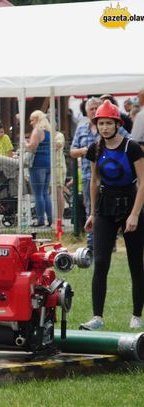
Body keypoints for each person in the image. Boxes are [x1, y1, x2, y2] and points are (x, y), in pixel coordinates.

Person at [79, 100, 144, 331]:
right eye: (101, 123)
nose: (105, 127)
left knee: (136, 263)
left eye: (109, 123)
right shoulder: (95, 149)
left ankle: (137, 315)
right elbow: (94, 182)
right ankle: (97, 317)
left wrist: (135, 214)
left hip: (130, 204)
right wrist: (92, 213)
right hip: (105, 207)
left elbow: (143, 182)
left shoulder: (132, 147)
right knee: (101, 262)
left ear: (117, 124)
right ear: (96, 125)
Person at [70, 97, 130, 249]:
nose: (95, 110)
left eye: (97, 108)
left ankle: (110, 242)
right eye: (92, 109)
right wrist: (86, 151)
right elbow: (72, 151)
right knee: (91, 208)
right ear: (87, 111)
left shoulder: (113, 126)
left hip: (111, 178)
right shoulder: (81, 128)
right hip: (88, 175)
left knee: (112, 211)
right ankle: (92, 246)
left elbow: (129, 142)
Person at [54, 131, 67, 221]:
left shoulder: (59, 135)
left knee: (59, 191)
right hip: (46, 166)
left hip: (58, 166)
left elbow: (57, 146)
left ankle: (59, 218)